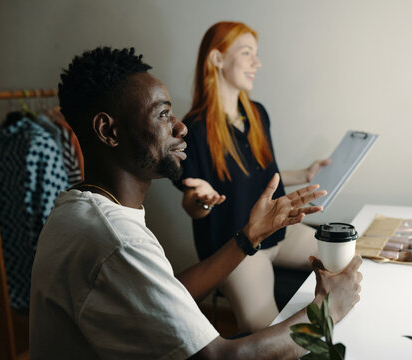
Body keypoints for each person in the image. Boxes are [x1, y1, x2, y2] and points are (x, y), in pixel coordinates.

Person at [29, 46, 362, 359]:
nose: (181, 127)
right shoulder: (117, 243)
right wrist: (328, 309)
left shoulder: (78, 207)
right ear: (109, 131)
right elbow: (218, 356)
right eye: (162, 115)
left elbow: (166, 293)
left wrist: (248, 237)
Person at [175, 21, 331, 332]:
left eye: (255, 54)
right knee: (267, 334)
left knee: (342, 256)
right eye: (246, 53)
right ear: (217, 59)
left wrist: (304, 174)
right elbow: (192, 202)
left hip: (279, 233)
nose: (256, 63)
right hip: (237, 247)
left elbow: (255, 177)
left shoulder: (258, 114)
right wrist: (203, 201)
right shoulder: (192, 129)